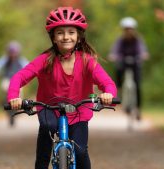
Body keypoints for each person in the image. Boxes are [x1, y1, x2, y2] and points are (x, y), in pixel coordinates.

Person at [7, 7, 117, 169]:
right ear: (53, 37)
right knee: (46, 141)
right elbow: (19, 77)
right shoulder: (45, 60)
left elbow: (107, 83)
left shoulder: (87, 61)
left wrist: (108, 94)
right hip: (48, 109)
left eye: (71, 32)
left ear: (79, 37)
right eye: (60, 33)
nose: (66, 37)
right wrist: (13, 98)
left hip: (78, 112)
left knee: (80, 152)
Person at [108, 16, 149, 121]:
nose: (129, 31)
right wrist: (113, 55)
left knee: (138, 85)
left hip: (135, 63)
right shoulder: (120, 40)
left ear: (134, 29)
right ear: (124, 30)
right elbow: (115, 50)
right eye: (126, 29)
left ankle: (138, 109)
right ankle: (120, 93)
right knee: (118, 72)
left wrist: (143, 54)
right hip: (123, 62)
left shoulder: (137, 40)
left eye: (130, 29)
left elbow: (142, 49)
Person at [0, 41, 28, 126]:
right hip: (7, 79)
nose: (13, 54)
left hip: (18, 82)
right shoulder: (5, 59)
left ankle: (17, 107)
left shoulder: (21, 60)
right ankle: (4, 101)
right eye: (11, 52)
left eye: (14, 52)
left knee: (19, 94)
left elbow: (28, 66)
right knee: (5, 89)